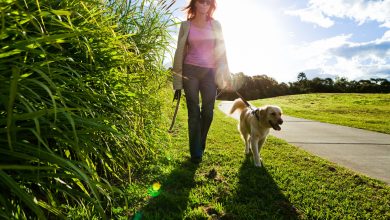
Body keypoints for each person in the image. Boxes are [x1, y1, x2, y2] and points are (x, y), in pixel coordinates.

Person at [172, 0, 232, 164]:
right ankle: (196, 153)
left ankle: (200, 142)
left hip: (209, 73)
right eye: (201, 1)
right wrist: (177, 82)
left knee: (208, 112)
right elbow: (179, 52)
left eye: (208, 2)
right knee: (193, 111)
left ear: (211, 6)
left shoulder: (216, 25)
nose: (205, 5)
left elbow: (222, 49)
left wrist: (226, 74)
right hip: (190, 70)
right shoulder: (186, 25)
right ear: (195, 4)